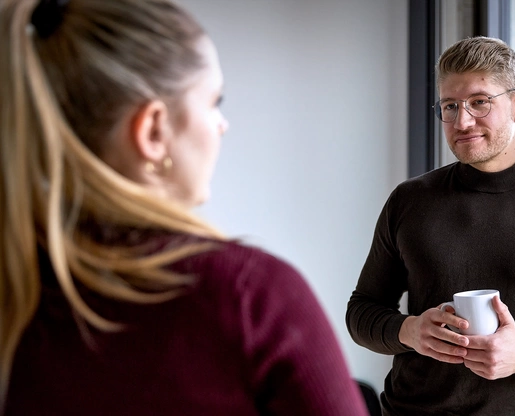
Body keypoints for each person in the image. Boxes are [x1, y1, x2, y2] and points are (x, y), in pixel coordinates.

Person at [0, 0, 369, 415]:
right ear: (153, 130)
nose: (221, 125)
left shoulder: (16, 292)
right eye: (214, 102)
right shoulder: (250, 298)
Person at [346, 36, 515, 415]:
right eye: (450, 106)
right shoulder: (410, 200)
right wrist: (409, 332)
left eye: (479, 102)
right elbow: (362, 311)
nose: (462, 121)